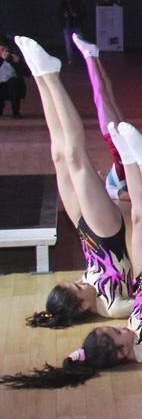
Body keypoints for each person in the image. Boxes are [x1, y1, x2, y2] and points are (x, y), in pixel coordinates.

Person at [2, 81, 142, 388]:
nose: (120, 329)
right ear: (122, 352)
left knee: (140, 215)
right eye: (116, 333)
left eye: (114, 330)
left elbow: (135, 303)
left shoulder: (123, 326)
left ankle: (130, 156)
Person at [17, 35, 134, 326]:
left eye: (75, 283)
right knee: (75, 158)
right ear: (83, 309)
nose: (83, 284)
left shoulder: (88, 295)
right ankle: (52, 77)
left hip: (85, 232)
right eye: (80, 289)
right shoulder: (111, 307)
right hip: (106, 233)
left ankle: (40, 76)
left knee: (59, 157)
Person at [71, 33, 127, 198]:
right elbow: (131, 197)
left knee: (107, 94)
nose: (99, 172)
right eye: (96, 175)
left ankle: (93, 54)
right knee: (101, 96)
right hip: (116, 144)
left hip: (121, 146)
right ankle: (90, 55)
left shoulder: (112, 183)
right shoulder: (110, 190)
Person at [0, 38, 26, 117]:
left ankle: (15, 111)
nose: (4, 51)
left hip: (12, 85)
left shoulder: (14, 55)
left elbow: (27, 73)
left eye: (6, 49)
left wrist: (16, 62)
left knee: (13, 83)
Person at [60, 0, 85, 65]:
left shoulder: (77, 2)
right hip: (67, 26)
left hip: (76, 25)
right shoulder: (63, 4)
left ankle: (85, 57)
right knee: (68, 44)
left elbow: (83, 12)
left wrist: (76, 15)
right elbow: (59, 13)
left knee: (81, 42)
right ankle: (70, 60)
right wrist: (64, 15)